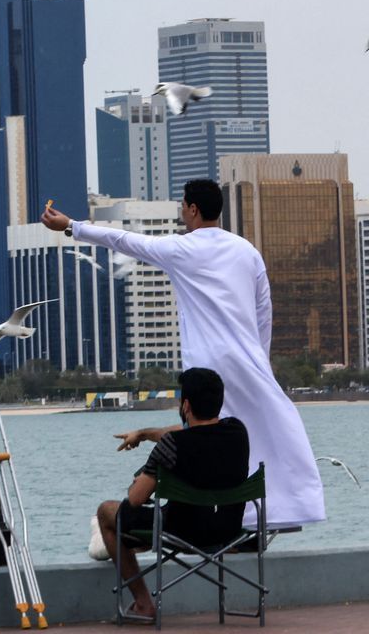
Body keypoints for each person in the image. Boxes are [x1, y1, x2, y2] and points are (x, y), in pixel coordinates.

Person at [42, 180, 323, 528]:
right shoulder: (247, 251)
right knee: (253, 431)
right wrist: (260, 360)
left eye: (183, 207)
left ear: (192, 209)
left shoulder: (181, 249)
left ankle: (206, 515)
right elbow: (264, 310)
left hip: (207, 362)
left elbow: (125, 241)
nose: (181, 213)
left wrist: (71, 226)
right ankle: (276, 510)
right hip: (247, 358)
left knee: (202, 435)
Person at [96, 368, 251, 620]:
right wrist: (144, 434)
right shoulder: (238, 432)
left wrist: (140, 481)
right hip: (228, 530)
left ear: (186, 405)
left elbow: (135, 500)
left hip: (182, 531)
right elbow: (188, 431)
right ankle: (139, 544)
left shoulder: (170, 446)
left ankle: (144, 603)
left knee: (107, 513)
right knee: (153, 518)